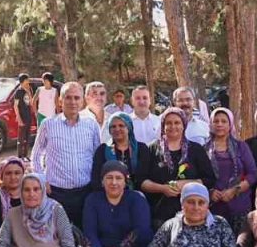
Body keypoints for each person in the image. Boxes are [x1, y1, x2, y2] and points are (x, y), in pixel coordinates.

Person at [33, 81, 102, 228]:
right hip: (57, 193)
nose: (73, 102)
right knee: (57, 235)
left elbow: (98, 156)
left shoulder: (91, 124)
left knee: (84, 235)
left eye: (77, 98)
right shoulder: (48, 124)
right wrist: (41, 178)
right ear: (60, 100)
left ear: (82, 101)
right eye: (68, 97)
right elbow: (36, 154)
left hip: (85, 192)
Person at [143, 107, 216, 227]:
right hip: (159, 214)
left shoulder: (196, 150)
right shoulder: (152, 149)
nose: (173, 126)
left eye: (177, 122)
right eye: (168, 123)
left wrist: (187, 184)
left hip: (191, 215)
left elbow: (209, 179)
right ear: (163, 126)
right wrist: (162, 188)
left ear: (184, 125)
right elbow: (142, 181)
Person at [205, 107, 257, 229]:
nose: (219, 124)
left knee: (240, 244)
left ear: (230, 124)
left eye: (224, 121)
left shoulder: (241, 146)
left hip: (239, 204)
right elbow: (201, 177)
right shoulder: (204, 149)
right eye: (216, 121)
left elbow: (253, 173)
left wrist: (234, 190)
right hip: (213, 206)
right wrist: (210, 191)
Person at [92, 111, 154, 191]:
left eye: (121, 125)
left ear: (129, 128)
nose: (117, 129)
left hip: (136, 196)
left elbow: (144, 177)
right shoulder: (102, 150)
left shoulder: (142, 149)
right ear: (109, 130)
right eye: (113, 126)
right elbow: (96, 179)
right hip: (109, 196)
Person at [0, 157, 26, 230]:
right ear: (1, 176)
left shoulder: (31, 194)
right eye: (8, 173)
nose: (13, 177)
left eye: (17, 173)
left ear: (23, 175)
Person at [12, 74, 36, 159]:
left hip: (28, 116)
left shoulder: (29, 90)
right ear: (21, 83)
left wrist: (29, 92)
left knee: (27, 138)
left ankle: (26, 155)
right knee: (21, 139)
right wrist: (19, 118)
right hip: (21, 117)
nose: (28, 84)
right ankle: (20, 156)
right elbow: (15, 106)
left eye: (28, 83)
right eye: (26, 83)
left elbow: (31, 104)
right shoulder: (18, 92)